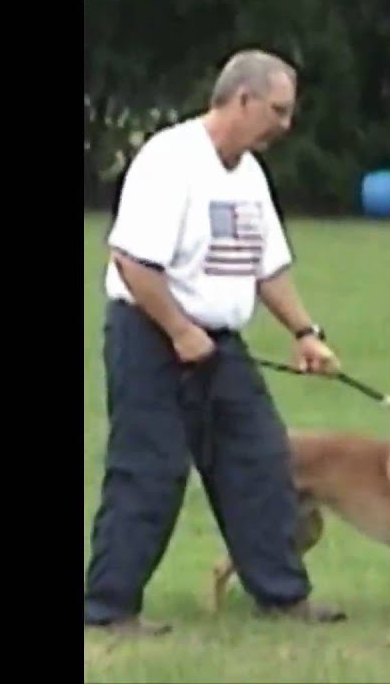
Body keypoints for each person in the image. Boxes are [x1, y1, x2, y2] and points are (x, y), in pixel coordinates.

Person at [84, 48, 347, 635]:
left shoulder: (249, 175)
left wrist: (305, 333)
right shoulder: (170, 160)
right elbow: (131, 261)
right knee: (149, 469)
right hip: (149, 333)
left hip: (217, 341)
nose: (285, 125)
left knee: (259, 458)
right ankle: (107, 608)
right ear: (243, 99)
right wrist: (179, 331)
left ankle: (282, 596)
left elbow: (268, 267)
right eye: (277, 111)